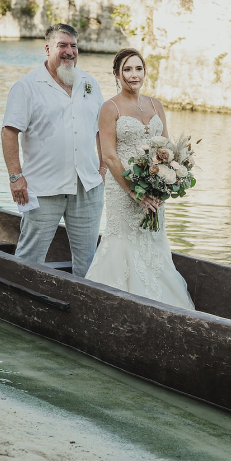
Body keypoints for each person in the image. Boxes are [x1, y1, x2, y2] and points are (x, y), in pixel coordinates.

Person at [84, 48, 194, 309]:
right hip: (123, 188)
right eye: (127, 69)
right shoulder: (109, 108)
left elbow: (167, 147)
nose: (134, 75)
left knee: (153, 239)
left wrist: (166, 181)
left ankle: (160, 305)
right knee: (124, 242)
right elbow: (109, 156)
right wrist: (134, 191)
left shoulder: (156, 105)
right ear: (117, 74)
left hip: (154, 187)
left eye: (138, 68)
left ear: (144, 71)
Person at [1, 23, 106, 276]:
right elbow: (9, 132)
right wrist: (16, 177)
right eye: (62, 45)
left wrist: (103, 167)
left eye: (73, 46)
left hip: (87, 186)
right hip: (43, 188)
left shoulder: (89, 83)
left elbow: (101, 129)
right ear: (48, 49)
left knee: (88, 260)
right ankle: (19, 300)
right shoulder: (26, 87)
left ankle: (83, 308)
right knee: (30, 257)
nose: (69, 51)